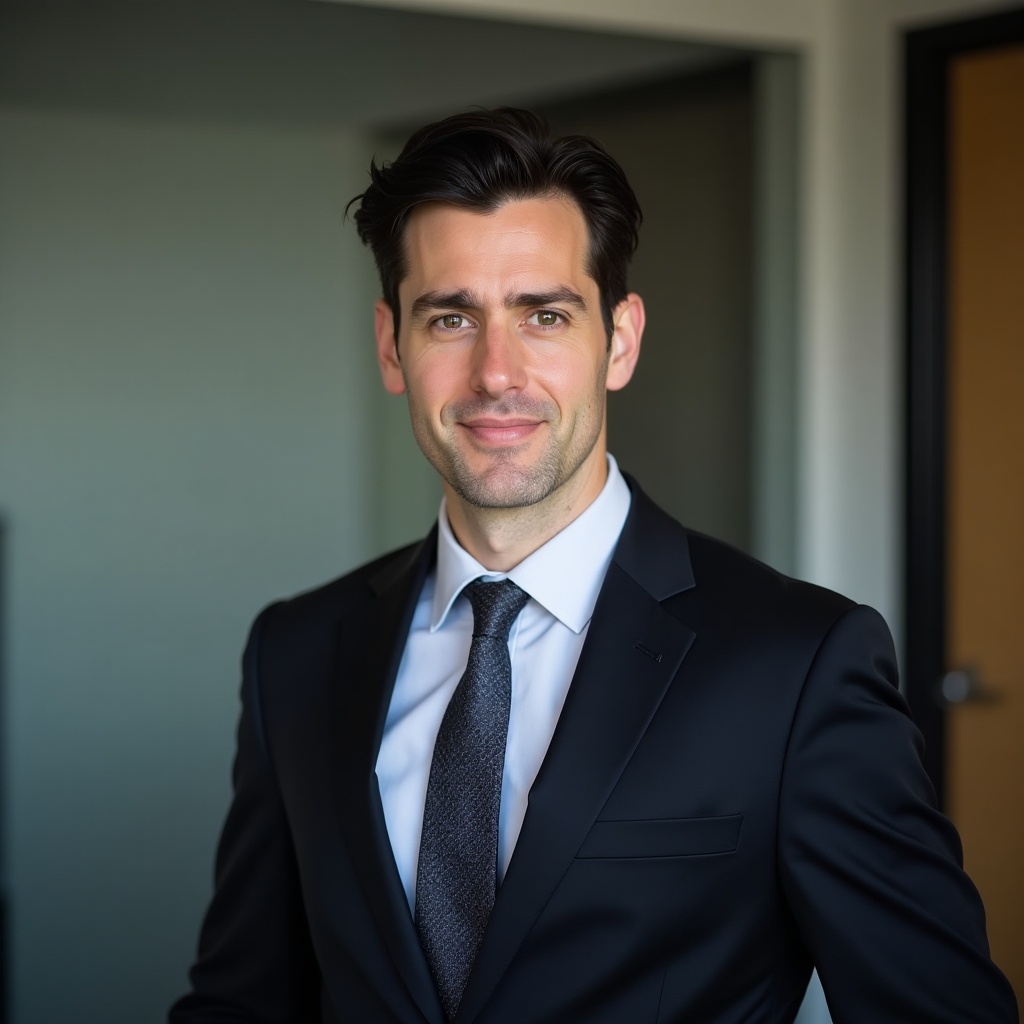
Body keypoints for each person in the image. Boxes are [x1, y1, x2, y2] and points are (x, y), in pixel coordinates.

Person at [169, 108, 1017, 1024]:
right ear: (391, 345)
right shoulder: (296, 651)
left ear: (620, 340)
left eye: (545, 315)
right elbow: (240, 1001)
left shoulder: (798, 665)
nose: (496, 373)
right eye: (451, 317)